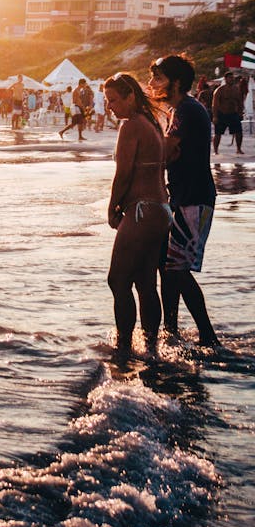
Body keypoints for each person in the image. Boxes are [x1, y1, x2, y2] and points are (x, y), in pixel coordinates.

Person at [148, 54, 220, 347]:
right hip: (186, 197)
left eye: (158, 78)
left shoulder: (185, 111)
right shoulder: (185, 109)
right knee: (168, 266)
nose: (152, 84)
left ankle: (207, 336)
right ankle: (172, 331)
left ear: (175, 83)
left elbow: (166, 152)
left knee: (175, 268)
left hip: (194, 199)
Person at [103, 73, 169, 359]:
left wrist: (112, 207)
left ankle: (124, 348)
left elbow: (124, 173)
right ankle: (152, 348)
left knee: (117, 281)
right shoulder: (151, 123)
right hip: (160, 211)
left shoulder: (131, 126)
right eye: (107, 102)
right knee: (145, 282)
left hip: (141, 211)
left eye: (114, 100)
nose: (111, 108)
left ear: (130, 96)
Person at [211, 72, 245, 155]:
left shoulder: (236, 89)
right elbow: (215, 104)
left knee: (239, 132)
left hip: (233, 114)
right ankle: (216, 150)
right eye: (230, 78)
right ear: (225, 79)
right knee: (218, 133)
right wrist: (215, 116)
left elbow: (240, 102)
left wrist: (240, 113)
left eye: (232, 78)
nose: (232, 79)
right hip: (221, 114)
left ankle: (238, 149)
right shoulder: (219, 90)